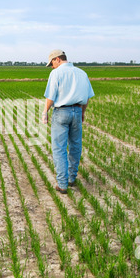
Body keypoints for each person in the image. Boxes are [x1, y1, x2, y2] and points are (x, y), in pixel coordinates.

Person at [42, 50, 94, 194]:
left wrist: (45, 111)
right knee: (75, 146)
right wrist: (82, 112)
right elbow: (87, 96)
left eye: (52, 63)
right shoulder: (82, 73)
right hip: (77, 111)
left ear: (57, 59)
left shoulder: (56, 73)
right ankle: (72, 179)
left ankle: (62, 184)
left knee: (59, 148)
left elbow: (51, 96)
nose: (52, 67)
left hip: (61, 113)